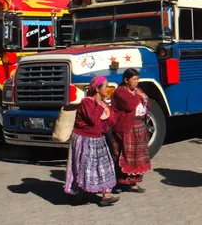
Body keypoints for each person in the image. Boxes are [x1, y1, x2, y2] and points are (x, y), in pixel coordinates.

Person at [64, 76, 119, 207]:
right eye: (105, 86)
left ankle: (106, 195)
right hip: (84, 139)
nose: (108, 89)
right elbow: (93, 120)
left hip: (99, 139)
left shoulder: (104, 103)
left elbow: (111, 120)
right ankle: (82, 194)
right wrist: (101, 107)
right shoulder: (86, 102)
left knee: (105, 166)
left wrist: (106, 111)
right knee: (85, 167)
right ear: (97, 89)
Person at [110, 68, 152, 194]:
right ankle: (117, 183)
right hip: (126, 127)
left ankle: (133, 183)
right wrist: (140, 96)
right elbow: (129, 104)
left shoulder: (138, 91)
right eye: (134, 79)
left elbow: (147, 104)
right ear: (126, 80)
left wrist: (142, 96)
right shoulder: (120, 92)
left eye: (138, 79)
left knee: (137, 157)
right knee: (122, 155)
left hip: (139, 126)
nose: (136, 82)